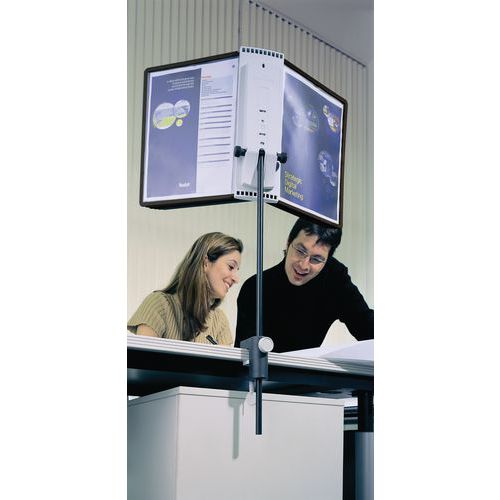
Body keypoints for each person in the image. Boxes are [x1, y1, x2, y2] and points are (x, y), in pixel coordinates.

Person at [235, 217, 373, 352]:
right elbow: (245, 356)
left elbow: (366, 325)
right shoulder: (255, 287)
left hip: (308, 367)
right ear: (288, 242)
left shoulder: (335, 279)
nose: (303, 265)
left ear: (327, 261)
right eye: (300, 251)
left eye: (316, 259)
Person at [128, 232, 243, 345]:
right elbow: (143, 356)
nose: (236, 279)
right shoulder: (158, 304)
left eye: (236, 270)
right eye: (231, 267)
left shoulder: (220, 321)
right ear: (205, 263)